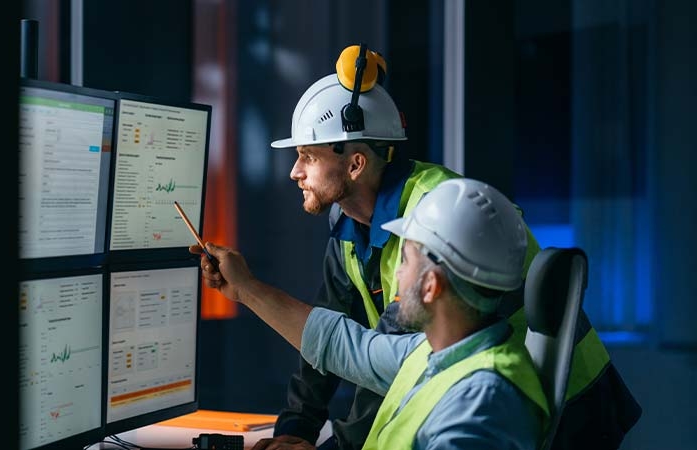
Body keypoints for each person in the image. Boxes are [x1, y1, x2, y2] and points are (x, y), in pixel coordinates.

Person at [258, 44, 641, 450]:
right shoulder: (351, 224)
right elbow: (338, 334)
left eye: (307, 156)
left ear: (355, 164)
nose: (295, 171)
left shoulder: (436, 218)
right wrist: (296, 429)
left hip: (550, 402)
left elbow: (393, 365)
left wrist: (336, 446)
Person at [193, 178, 550, 449]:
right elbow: (344, 346)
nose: (395, 274)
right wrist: (246, 289)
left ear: (431, 287)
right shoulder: (435, 353)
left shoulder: (480, 405)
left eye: (406, 260)